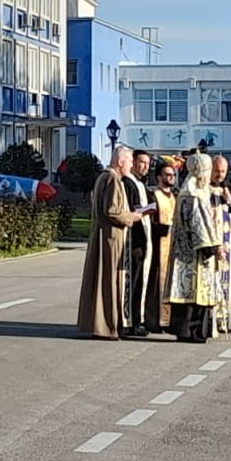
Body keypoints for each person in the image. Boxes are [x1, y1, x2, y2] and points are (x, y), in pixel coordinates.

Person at [77, 145, 144, 340]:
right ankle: (107, 326)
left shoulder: (103, 177)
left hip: (104, 235)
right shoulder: (113, 179)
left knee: (101, 280)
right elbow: (113, 211)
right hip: (111, 238)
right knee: (109, 281)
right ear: (120, 161)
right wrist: (132, 216)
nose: (131, 165)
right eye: (130, 161)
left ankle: (101, 324)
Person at [167, 152, 222, 344]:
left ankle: (183, 330)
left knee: (185, 293)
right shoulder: (195, 196)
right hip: (195, 255)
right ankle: (194, 331)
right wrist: (213, 248)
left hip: (183, 252)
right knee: (195, 293)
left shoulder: (184, 194)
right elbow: (200, 227)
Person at [121, 150, 154, 338]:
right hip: (133, 239)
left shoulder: (141, 184)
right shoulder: (127, 183)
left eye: (148, 163)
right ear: (133, 162)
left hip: (144, 238)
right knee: (132, 282)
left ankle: (137, 319)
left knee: (140, 281)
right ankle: (129, 322)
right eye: (142, 162)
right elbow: (129, 208)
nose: (145, 166)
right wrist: (144, 210)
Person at [146, 160, 179, 332]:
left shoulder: (175, 196)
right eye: (168, 175)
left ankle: (171, 321)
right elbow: (149, 222)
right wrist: (166, 229)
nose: (171, 177)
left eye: (173, 175)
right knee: (156, 285)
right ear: (159, 177)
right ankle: (154, 321)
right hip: (158, 247)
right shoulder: (153, 196)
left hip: (173, 248)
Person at [209, 154, 231, 335]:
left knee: (225, 282)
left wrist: (230, 200)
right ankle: (211, 319)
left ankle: (223, 318)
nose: (220, 175)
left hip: (226, 246)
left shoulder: (227, 189)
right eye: (217, 171)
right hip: (211, 245)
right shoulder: (204, 189)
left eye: (223, 171)